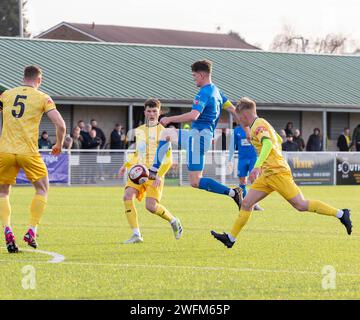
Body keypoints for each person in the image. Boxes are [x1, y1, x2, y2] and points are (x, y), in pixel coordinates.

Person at [211, 97, 352, 248]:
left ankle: (341, 214)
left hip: (277, 172)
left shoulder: (258, 125)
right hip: (268, 174)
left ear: (244, 115)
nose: (238, 120)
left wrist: (257, 166)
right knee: (246, 203)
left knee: (300, 205)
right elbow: (277, 139)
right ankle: (231, 238)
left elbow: (268, 143)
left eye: (238, 117)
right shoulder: (261, 124)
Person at [149, 60, 243, 209]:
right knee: (167, 134)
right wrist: (246, 128)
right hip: (198, 136)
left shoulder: (204, 93)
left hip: (198, 138)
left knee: (195, 181)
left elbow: (194, 116)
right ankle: (153, 170)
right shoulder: (217, 91)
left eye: (194, 76)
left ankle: (233, 193)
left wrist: (169, 119)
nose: (194, 79)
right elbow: (233, 110)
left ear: (201, 74)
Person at [0, 65, 66, 253]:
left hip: (4, 151)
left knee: (3, 192)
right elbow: (61, 125)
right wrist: (59, 144)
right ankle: (31, 229)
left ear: (23, 78)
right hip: (28, 152)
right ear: (39, 80)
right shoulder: (43, 97)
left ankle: (7, 229)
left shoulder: (6, 95)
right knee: (42, 188)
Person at [118, 98, 183, 244]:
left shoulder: (164, 131)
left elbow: (169, 159)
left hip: (155, 174)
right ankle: (136, 234)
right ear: (145, 112)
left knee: (151, 207)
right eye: (149, 111)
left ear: (160, 112)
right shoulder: (140, 130)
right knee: (127, 196)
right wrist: (126, 165)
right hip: (139, 171)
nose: (152, 113)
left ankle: (173, 221)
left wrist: (159, 175)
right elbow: (138, 152)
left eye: (155, 111)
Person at [228, 125, 263, 211]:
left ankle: (255, 204)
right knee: (242, 181)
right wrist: (229, 160)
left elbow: (262, 143)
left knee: (254, 180)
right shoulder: (237, 130)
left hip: (253, 158)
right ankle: (246, 202)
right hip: (242, 159)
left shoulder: (255, 128)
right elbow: (232, 145)